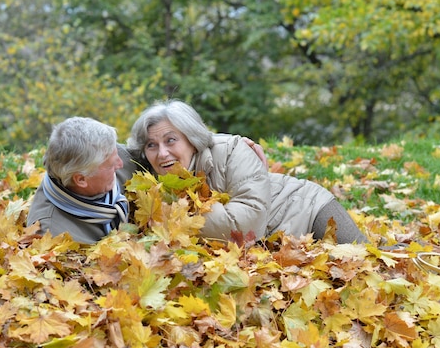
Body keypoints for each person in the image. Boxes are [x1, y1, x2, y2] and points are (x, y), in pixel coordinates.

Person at [127, 99, 368, 244]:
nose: (162, 153)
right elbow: (109, 152)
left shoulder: (232, 151)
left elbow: (244, 226)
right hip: (273, 246)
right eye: (151, 145)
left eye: (171, 140)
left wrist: (174, 217)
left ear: (192, 139)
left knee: (368, 260)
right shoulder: (149, 176)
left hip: (307, 210)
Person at [27, 116, 268, 244]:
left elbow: (168, 146)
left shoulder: (113, 157)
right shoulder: (50, 233)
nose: (121, 164)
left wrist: (230, 147)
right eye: (112, 165)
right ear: (81, 179)